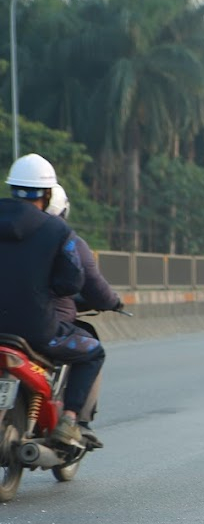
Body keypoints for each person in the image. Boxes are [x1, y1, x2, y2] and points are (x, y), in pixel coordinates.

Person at [0, 154, 98, 448]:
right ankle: (69, 421)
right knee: (92, 352)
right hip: (38, 331)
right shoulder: (58, 230)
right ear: (47, 194)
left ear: (13, 188)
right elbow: (71, 282)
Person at [46, 184, 123, 448]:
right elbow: (93, 286)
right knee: (92, 350)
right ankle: (72, 419)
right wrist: (113, 302)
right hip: (44, 327)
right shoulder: (67, 240)